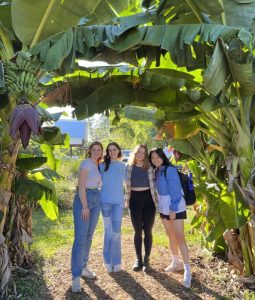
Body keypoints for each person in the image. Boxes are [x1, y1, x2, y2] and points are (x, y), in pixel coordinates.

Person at [149, 147, 192, 289]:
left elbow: (175, 190)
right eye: (152, 158)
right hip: (163, 206)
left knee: (180, 237)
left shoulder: (169, 169)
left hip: (175, 206)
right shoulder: (158, 170)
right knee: (170, 234)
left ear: (163, 156)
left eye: (157, 157)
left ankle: (187, 270)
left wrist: (173, 208)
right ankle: (176, 261)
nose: (155, 160)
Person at [71, 142, 103, 293]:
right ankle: (75, 277)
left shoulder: (98, 164)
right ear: (89, 151)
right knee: (80, 238)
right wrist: (84, 206)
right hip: (84, 199)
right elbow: (81, 185)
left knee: (89, 236)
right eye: (94, 149)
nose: (96, 152)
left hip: (96, 198)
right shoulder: (86, 163)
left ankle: (83, 267)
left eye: (99, 150)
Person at [125, 144, 157, 272]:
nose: (140, 155)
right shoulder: (128, 167)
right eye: (138, 152)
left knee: (148, 231)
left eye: (143, 153)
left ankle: (146, 260)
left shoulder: (150, 167)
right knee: (137, 231)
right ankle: (138, 259)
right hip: (134, 200)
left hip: (148, 200)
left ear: (145, 155)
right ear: (134, 152)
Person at [99, 142, 126, 273]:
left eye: (114, 149)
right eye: (110, 150)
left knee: (116, 233)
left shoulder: (123, 166)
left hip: (118, 204)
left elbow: (129, 184)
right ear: (107, 152)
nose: (112, 152)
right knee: (107, 231)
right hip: (105, 203)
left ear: (118, 150)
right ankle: (107, 260)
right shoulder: (102, 166)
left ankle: (116, 260)